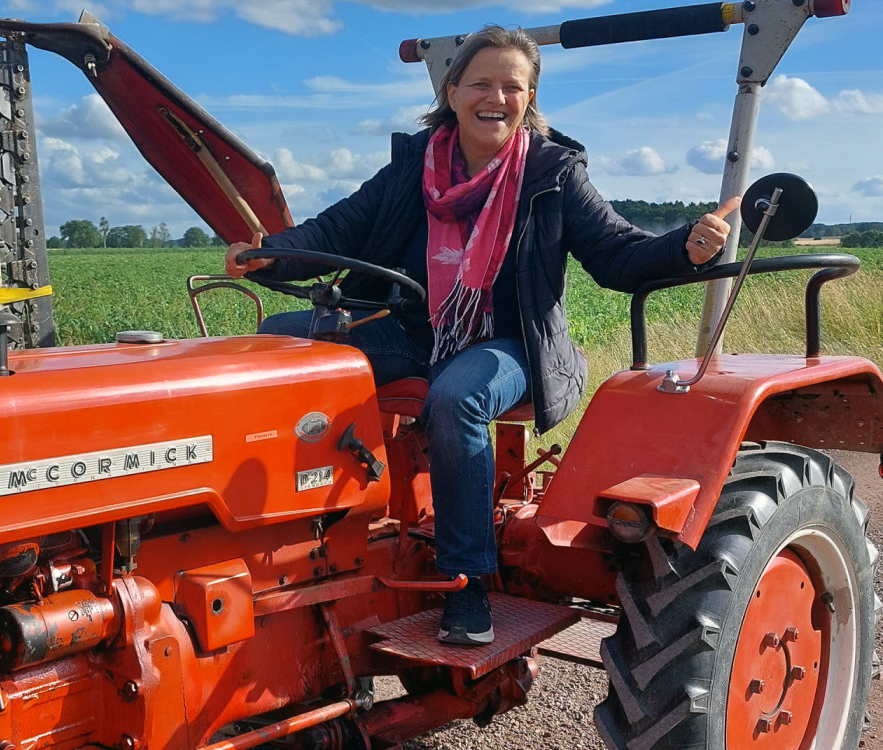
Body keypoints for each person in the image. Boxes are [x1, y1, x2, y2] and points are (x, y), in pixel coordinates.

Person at [225, 25, 736, 646]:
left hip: (513, 344)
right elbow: (338, 230)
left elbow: (616, 254)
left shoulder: (551, 174)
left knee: (457, 396)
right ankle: (294, 537)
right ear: (452, 90)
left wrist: (686, 247)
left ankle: (467, 584)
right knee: (282, 343)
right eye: (482, 83)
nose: (496, 97)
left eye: (512, 86)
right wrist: (269, 255)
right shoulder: (413, 169)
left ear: (529, 99)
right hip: (417, 332)